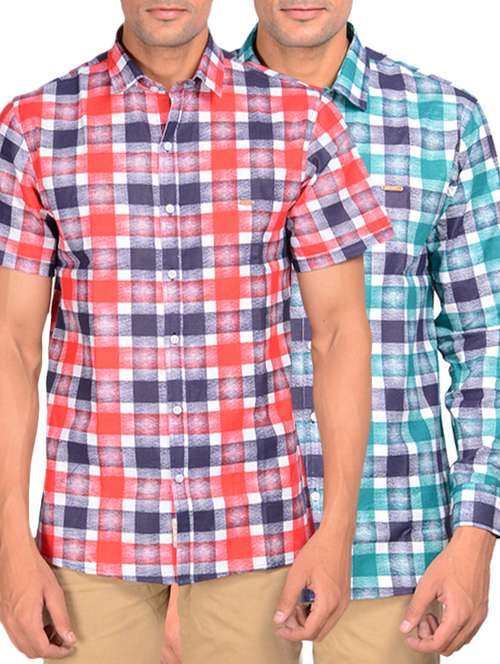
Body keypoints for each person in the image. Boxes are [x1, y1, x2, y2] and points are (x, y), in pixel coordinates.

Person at [0, 1, 394, 663]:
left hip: (257, 538)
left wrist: (335, 534)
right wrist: (10, 546)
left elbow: (339, 334)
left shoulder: (302, 121)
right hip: (91, 539)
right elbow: (12, 345)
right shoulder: (35, 126)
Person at [162, 1, 500, 662]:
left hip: (393, 546)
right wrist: (162, 571)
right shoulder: (175, 116)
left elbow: (486, 341)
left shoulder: (444, 121)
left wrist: (474, 538)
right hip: (222, 552)